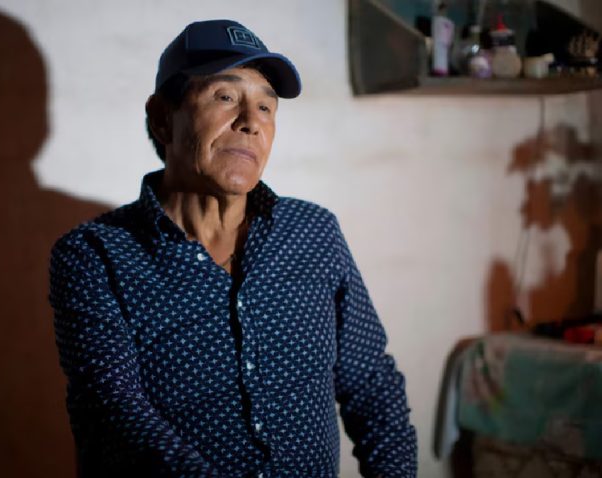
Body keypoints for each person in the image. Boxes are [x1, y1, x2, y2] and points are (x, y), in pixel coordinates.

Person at [49, 19, 417, 477]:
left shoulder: (313, 234)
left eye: (265, 106)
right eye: (225, 97)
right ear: (162, 118)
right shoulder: (95, 257)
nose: (251, 122)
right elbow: (116, 416)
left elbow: (373, 387)